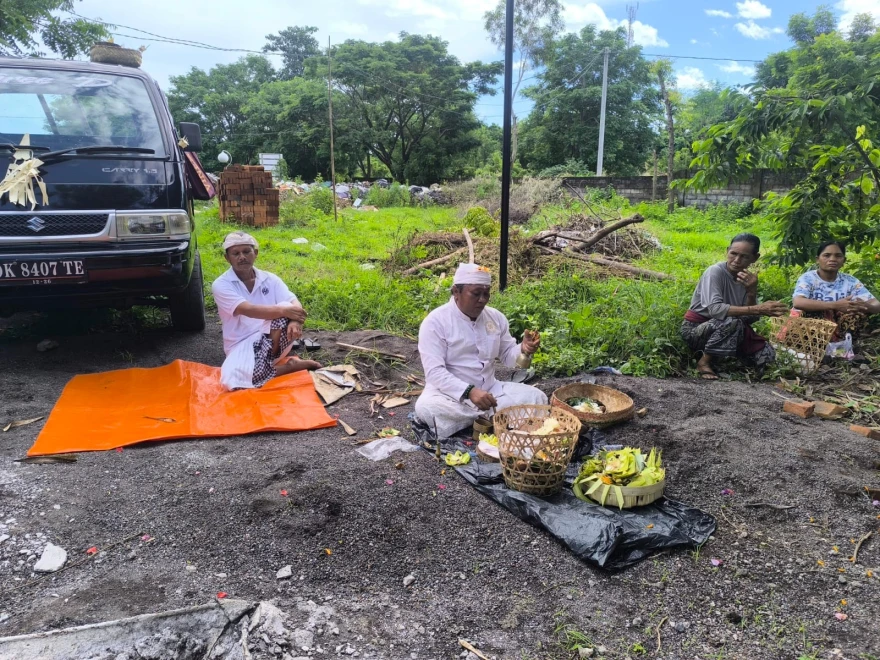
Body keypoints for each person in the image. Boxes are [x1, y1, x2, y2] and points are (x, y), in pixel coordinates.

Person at [414, 263, 548, 438]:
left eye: (486, 294)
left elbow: (508, 356)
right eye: (476, 293)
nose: (482, 299)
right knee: (427, 408)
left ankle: (479, 420)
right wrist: (469, 391)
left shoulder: (496, 318)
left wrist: (524, 350)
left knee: (537, 397)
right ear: (456, 291)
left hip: (491, 392)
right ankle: (493, 418)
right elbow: (434, 372)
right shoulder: (435, 322)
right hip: (450, 396)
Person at [212, 231, 321, 390]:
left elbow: (293, 302)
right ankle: (290, 366)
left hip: (274, 342)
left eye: (246, 251)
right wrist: (286, 311)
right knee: (231, 382)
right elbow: (248, 309)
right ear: (227, 258)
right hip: (241, 344)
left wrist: (295, 320)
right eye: (236, 253)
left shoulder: (270, 279)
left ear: (255, 253)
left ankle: (267, 364)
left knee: (284, 308)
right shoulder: (221, 284)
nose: (242, 257)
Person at [681, 233, 788, 380]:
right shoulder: (715, 272)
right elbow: (715, 310)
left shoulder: (747, 279)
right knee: (732, 321)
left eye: (744, 256)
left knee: (768, 356)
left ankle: (726, 359)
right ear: (727, 251)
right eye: (733, 254)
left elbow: (750, 319)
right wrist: (759, 308)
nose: (737, 260)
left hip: (730, 330)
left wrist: (751, 293)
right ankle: (703, 362)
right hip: (696, 330)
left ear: (755, 258)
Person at [792, 240, 879, 340]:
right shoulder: (808, 278)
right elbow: (798, 302)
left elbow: (876, 304)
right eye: (827, 255)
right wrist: (835, 305)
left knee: (856, 314)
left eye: (838, 256)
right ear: (817, 259)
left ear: (843, 260)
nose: (832, 259)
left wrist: (865, 306)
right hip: (811, 330)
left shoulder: (850, 281)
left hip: (840, 330)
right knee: (809, 313)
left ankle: (844, 345)